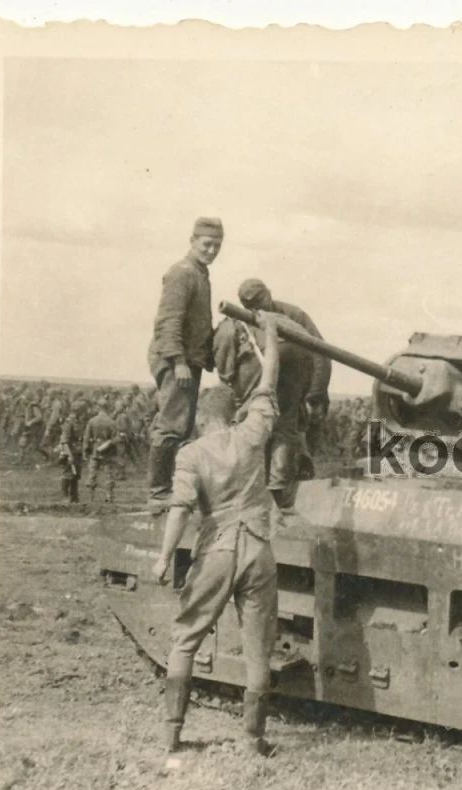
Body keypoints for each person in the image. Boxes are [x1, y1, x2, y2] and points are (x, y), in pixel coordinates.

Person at [152, 310, 283, 757]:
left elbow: (180, 510)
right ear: (231, 415)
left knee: (186, 637)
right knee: (257, 648)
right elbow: (268, 384)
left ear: (202, 420)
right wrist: (271, 339)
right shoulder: (251, 436)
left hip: (218, 551)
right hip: (259, 550)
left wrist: (163, 558)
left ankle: (172, 734)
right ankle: (252, 739)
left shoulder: (192, 454)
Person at [213, 278, 325, 512]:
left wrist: (233, 388)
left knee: (253, 425)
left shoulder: (231, 324)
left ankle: (250, 487)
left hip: (265, 361)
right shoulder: (290, 317)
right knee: (285, 425)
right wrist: (312, 393)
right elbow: (319, 352)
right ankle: (279, 491)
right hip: (299, 358)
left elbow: (225, 367)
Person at [146, 217, 223, 510]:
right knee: (172, 423)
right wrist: (178, 361)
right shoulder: (183, 273)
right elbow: (168, 322)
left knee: (182, 423)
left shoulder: (199, 273)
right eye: (207, 244)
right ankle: (159, 492)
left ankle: (170, 488)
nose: (212, 250)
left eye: (217, 245)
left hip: (188, 359)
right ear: (192, 241)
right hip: (175, 358)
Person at [82, 400, 121, 503]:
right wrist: (109, 444)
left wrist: (85, 451)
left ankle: (91, 497)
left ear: (98, 407)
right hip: (107, 452)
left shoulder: (92, 421)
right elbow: (117, 438)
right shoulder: (111, 422)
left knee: (92, 473)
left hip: (95, 451)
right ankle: (109, 497)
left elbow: (86, 437)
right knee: (108, 474)